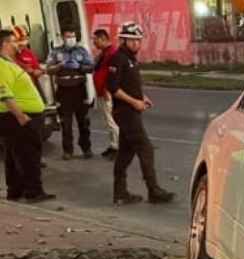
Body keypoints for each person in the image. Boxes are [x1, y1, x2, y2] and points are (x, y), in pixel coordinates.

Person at [106, 22, 174, 205]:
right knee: (146, 149)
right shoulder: (118, 58)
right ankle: (154, 191)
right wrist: (134, 102)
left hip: (132, 110)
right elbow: (113, 87)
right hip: (125, 112)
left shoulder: (131, 58)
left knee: (125, 154)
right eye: (132, 40)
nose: (136, 44)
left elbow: (130, 84)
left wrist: (143, 97)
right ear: (123, 40)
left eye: (138, 40)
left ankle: (120, 193)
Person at [0, 29, 54, 202]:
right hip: (18, 117)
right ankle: (33, 191)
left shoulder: (9, 62)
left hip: (16, 117)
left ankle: (15, 191)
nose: (18, 44)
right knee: (28, 154)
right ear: (5, 44)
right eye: (14, 41)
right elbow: (4, 93)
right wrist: (21, 116)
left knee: (14, 155)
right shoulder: (2, 65)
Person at [47, 29, 93, 160]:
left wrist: (79, 67)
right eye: (68, 36)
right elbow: (48, 69)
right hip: (63, 90)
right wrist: (59, 66)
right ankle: (68, 150)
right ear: (63, 37)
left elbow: (91, 67)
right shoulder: (56, 51)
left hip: (79, 89)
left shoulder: (81, 51)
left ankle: (86, 148)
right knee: (66, 123)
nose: (71, 39)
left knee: (83, 122)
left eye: (73, 36)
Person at [91, 29, 118, 160]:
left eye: (95, 40)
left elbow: (112, 74)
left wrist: (107, 90)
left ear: (102, 39)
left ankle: (117, 147)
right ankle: (113, 145)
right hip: (102, 91)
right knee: (109, 121)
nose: (93, 43)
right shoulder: (104, 53)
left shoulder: (112, 53)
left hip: (108, 92)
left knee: (112, 121)